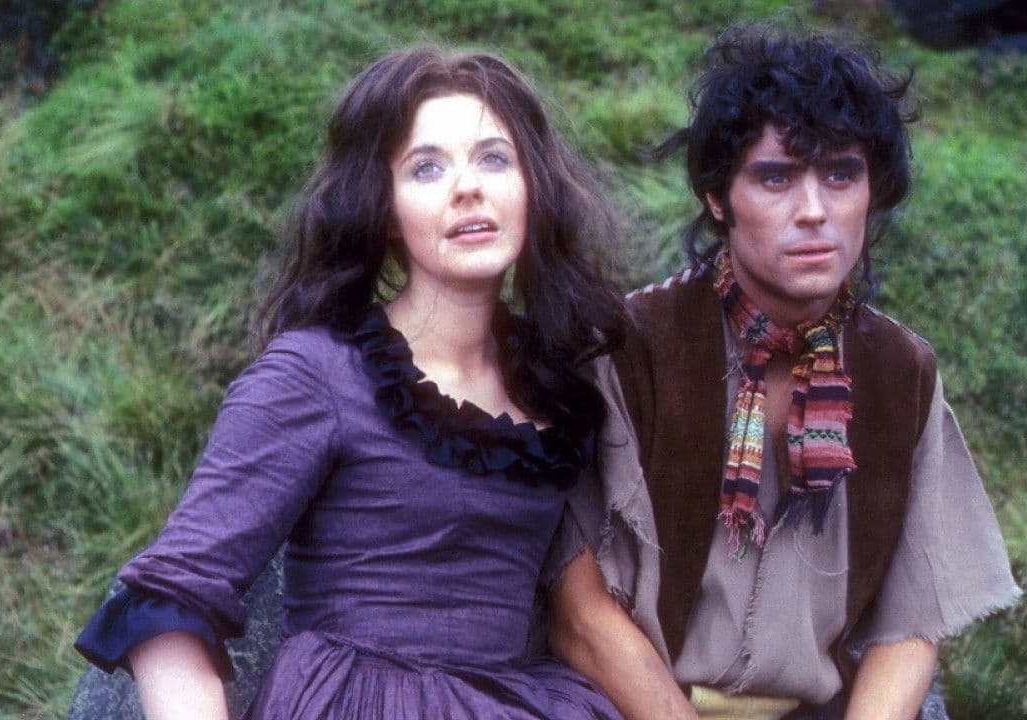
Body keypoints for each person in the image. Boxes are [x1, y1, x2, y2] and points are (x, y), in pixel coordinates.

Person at [74, 46, 693, 720]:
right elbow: (170, 596)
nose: (468, 187)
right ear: (384, 208)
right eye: (426, 167)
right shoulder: (316, 373)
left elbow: (585, 608)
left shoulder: (556, 386)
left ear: (534, 187)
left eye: (494, 159)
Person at [551, 25, 1021, 720]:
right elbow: (579, 616)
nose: (814, 211)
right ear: (718, 198)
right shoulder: (628, 349)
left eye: (841, 175)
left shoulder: (902, 373)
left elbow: (909, 628)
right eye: (775, 177)